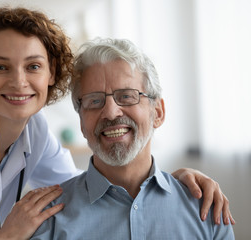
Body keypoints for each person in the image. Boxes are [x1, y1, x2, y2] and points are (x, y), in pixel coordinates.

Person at [0, 7, 233, 240]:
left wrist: (165, 185)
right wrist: (8, 236)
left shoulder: (34, 130)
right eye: (0, 66)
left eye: (33, 66)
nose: (19, 81)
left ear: (52, 72)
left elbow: (88, 188)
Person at [31, 38, 235, 239]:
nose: (111, 112)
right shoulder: (48, 218)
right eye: (94, 100)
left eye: (127, 96)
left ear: (158, 113)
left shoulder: (206, 207)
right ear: (82, 123)